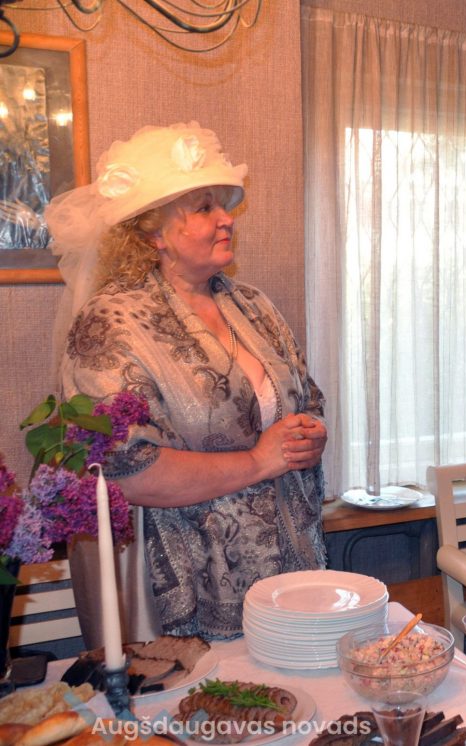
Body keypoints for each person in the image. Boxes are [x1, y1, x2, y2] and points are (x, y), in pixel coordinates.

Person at [47, 122, 328, 641]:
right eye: (203, 208)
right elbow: (127, 471)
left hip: (287, 566)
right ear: (152, 233)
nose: (227, 219)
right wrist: (258, 461)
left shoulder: (252, 304)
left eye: (222, 205)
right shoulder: (112, 323)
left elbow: (306, 399)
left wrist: (311, 434)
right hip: (187, 578)